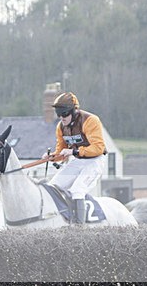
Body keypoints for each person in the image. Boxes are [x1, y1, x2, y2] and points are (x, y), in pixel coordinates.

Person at [41, 91, 107, 224]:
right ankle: (63, 219)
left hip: (94, 161)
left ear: (74, 111)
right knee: (53, 186)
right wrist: (52, 157)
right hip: (78, 161)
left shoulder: (90, 121)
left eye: (64, 114)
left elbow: (98, 148)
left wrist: (74, 152)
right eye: (59, 114)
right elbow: (61, 151)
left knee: (77, 190)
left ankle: (79, 228)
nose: (62, 118)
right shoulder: (61, 127)